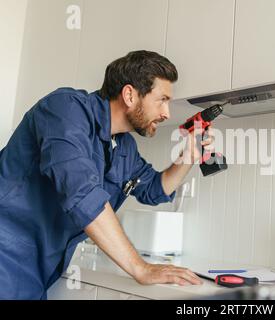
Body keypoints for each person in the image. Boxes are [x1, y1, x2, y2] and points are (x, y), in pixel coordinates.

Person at [0, 50, 208, 299]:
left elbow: (154, 188)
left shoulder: (123, 146)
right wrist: (139, 268)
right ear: (129, 94)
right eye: (161, 100)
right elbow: (82, 193)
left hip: (38, 270)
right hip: (6, 255)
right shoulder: (65, 109)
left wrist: (189, 156)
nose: (167, 113)